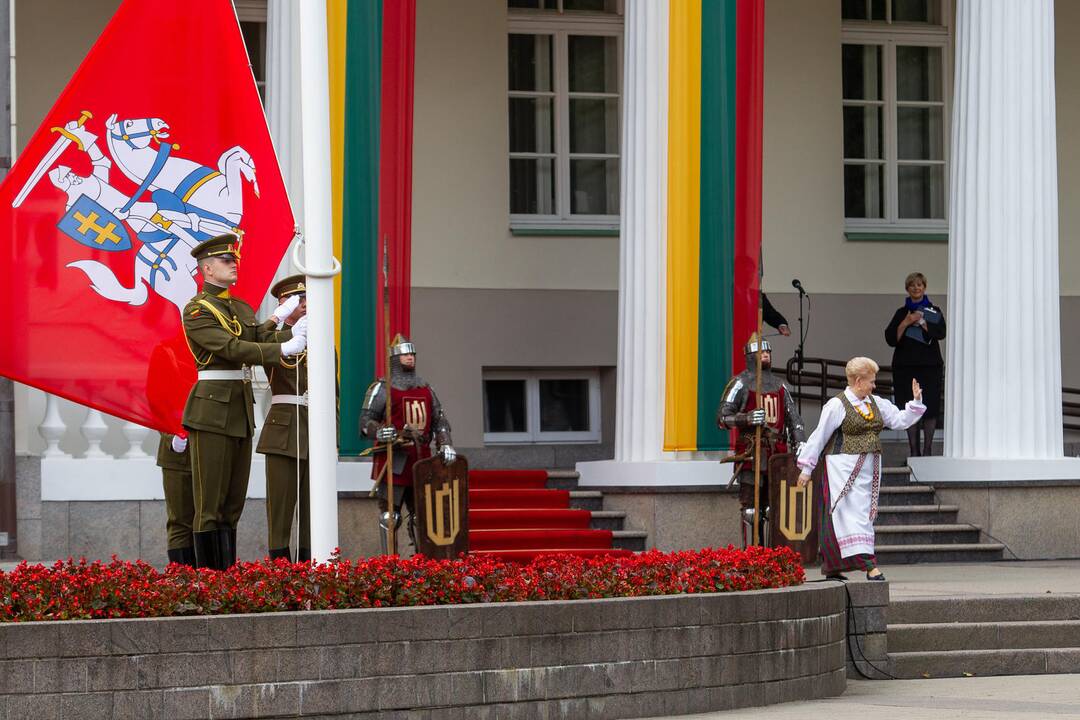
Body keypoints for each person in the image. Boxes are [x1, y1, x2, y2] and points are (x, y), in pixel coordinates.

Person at [181, 234, 308, 570]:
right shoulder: (196, 310)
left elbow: (257, 338)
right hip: (210, 410)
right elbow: (232, 349)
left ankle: (229, 577)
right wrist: (283, 346)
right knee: (210, 503)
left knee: (233, 502)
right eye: (225, 261)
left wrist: (286, 326)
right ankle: (210, 578)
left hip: (238, 409)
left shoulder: (240, 307)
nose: (233, 264)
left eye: (234, 259)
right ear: (207, 269)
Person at [796, 357, 925, 581]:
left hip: (868, 470)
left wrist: (915, 401)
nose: (874, 385)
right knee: (848, 515)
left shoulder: (875, 403)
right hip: (842, 469)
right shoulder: (837, 405)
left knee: (861, 515)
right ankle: (869, 565)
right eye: (871, 381)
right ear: (858, 381)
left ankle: (832, 567)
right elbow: (819, 436)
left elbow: (899, 420)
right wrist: (807, 469)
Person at [359, 334, 455, 553]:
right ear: (395, 358)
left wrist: (446, 443)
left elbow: (439, 419)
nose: (410, 358)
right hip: (394, 459)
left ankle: (422, 562)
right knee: (390, 517)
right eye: (405, 354)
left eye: (412, 354)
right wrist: (381, 431)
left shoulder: (426, 388)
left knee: (423, 515)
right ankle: (390, 564)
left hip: (422, 459)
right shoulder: (381, 388)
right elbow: (365, 422)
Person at [717, 333, 806, 547]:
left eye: (767, 352)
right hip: (752, 452)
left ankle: (773, 556)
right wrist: (745, 418)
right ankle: (752, 555)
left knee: (773, 507)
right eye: (761, 352)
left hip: (777, 453)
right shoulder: (739, 384)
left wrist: (801, 441)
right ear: (751, 356)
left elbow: (794, 419)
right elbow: (721, 418)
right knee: (751, 510)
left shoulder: (780, 386)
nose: (766, 355)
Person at [256, 275, 312, 562]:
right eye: (297, 300)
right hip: (283, 431)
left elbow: (333, 395)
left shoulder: (322, 343)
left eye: (306, 300)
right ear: (283, 303)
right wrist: (276, 319)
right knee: (280, 508)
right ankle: (281, 573)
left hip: (314, 432)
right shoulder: (276, 340)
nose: (304, 306)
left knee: (312, 509)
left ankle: (309, 566)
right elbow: (255, 342)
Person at [884, 272, 945, 457]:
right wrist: (906, 322)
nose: (916, 288)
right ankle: (914, 451)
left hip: (929, 367)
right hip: (905, 368)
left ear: (924, 287)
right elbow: (890, 338)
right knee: (909, 407)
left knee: (930, 407)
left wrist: (923, 322)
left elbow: (941, 332)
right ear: (907, 289)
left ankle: (927, 451)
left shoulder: (933, 311)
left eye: (919, 285)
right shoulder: (901, 313)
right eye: (912, 285)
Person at [157, 433, 194, 566]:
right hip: (178, 457)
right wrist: (170, 437)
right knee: (180, 523)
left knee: (210, 520)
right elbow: (159, 412)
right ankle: (183, 581)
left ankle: (209, 580)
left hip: (209, 455)